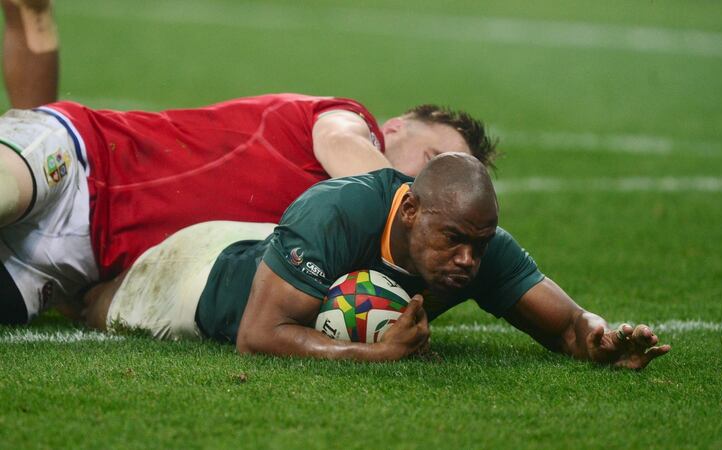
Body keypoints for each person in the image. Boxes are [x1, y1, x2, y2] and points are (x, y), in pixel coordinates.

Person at [0, 0, 497, 325]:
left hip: (63, 267)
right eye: (433, 161)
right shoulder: (345, 120)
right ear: (394, 127)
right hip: (83, 158)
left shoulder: (325, 248)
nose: (428, 185)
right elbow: (359, 164)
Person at [83, 153, 670, 369]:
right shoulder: (338, 212)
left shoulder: (476, 242)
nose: (468, 260)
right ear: (410, 209)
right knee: (92, 302)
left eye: (480, 244)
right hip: (204, 281)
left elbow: (568, 324)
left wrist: (600, 338)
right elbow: (258, 336)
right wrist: (375, 354)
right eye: (454, 241)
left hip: (281, 254)